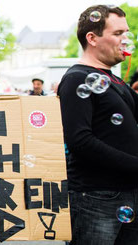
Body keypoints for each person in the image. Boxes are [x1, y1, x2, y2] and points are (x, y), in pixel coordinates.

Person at [57, 5, 138, 245]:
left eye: (127, 33)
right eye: (117, 33)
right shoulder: (76, 79)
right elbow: (80, 140)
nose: (125, 40)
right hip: (96, 197)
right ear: (92, 38)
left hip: (127, 192)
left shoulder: (114, 79)